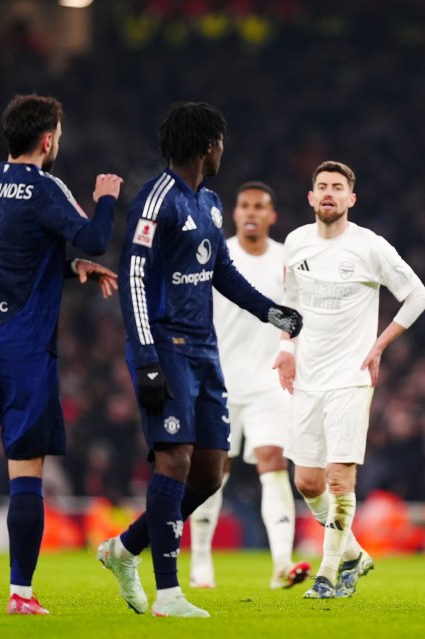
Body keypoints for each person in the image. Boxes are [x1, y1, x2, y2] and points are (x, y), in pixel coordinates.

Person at [96, 102, 302, 618]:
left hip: (206, 351)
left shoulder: (209, 203)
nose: (223, 151)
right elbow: (134, 279)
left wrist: (274, 314)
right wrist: (145, 356)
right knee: (175, 459)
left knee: (211, 472)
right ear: (209, 145)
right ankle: (168, 593)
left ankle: (124, 550)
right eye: (221, 142)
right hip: (165, 346)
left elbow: (223, 274)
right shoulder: (157, 198)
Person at [0, 94, 123, 615]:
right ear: (47, 140)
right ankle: (20, 594)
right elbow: (97, 238)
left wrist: (68, 268)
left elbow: (7, 261)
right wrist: (106, 197)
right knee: (25, 473)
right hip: (25, 353)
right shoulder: (45, 187)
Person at [274, 161, 425, 599]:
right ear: (310, 197)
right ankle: (355, 555)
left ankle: (326, 576)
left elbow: (418, 295)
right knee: (307, 481)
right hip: (306, 377)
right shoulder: (295, 242)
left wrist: (379, 345)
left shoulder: (370, 246)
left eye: (337, 188)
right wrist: (286, 350)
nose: (328, 193)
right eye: (321, 187)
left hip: (350, 377)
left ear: (350, 199)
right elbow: (289, 303)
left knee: (339, 478)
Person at [188, 181, 311, 591]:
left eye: (260, 206)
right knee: (213, 470)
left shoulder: (285, 260)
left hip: (267, 381)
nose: (252, 213)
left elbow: (296, 316)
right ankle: (201, 562)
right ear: (235, 213)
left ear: (272, 215)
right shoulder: (215, 255)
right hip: (218, 380)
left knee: (273, 462)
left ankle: (281, 564)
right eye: (245, 206)